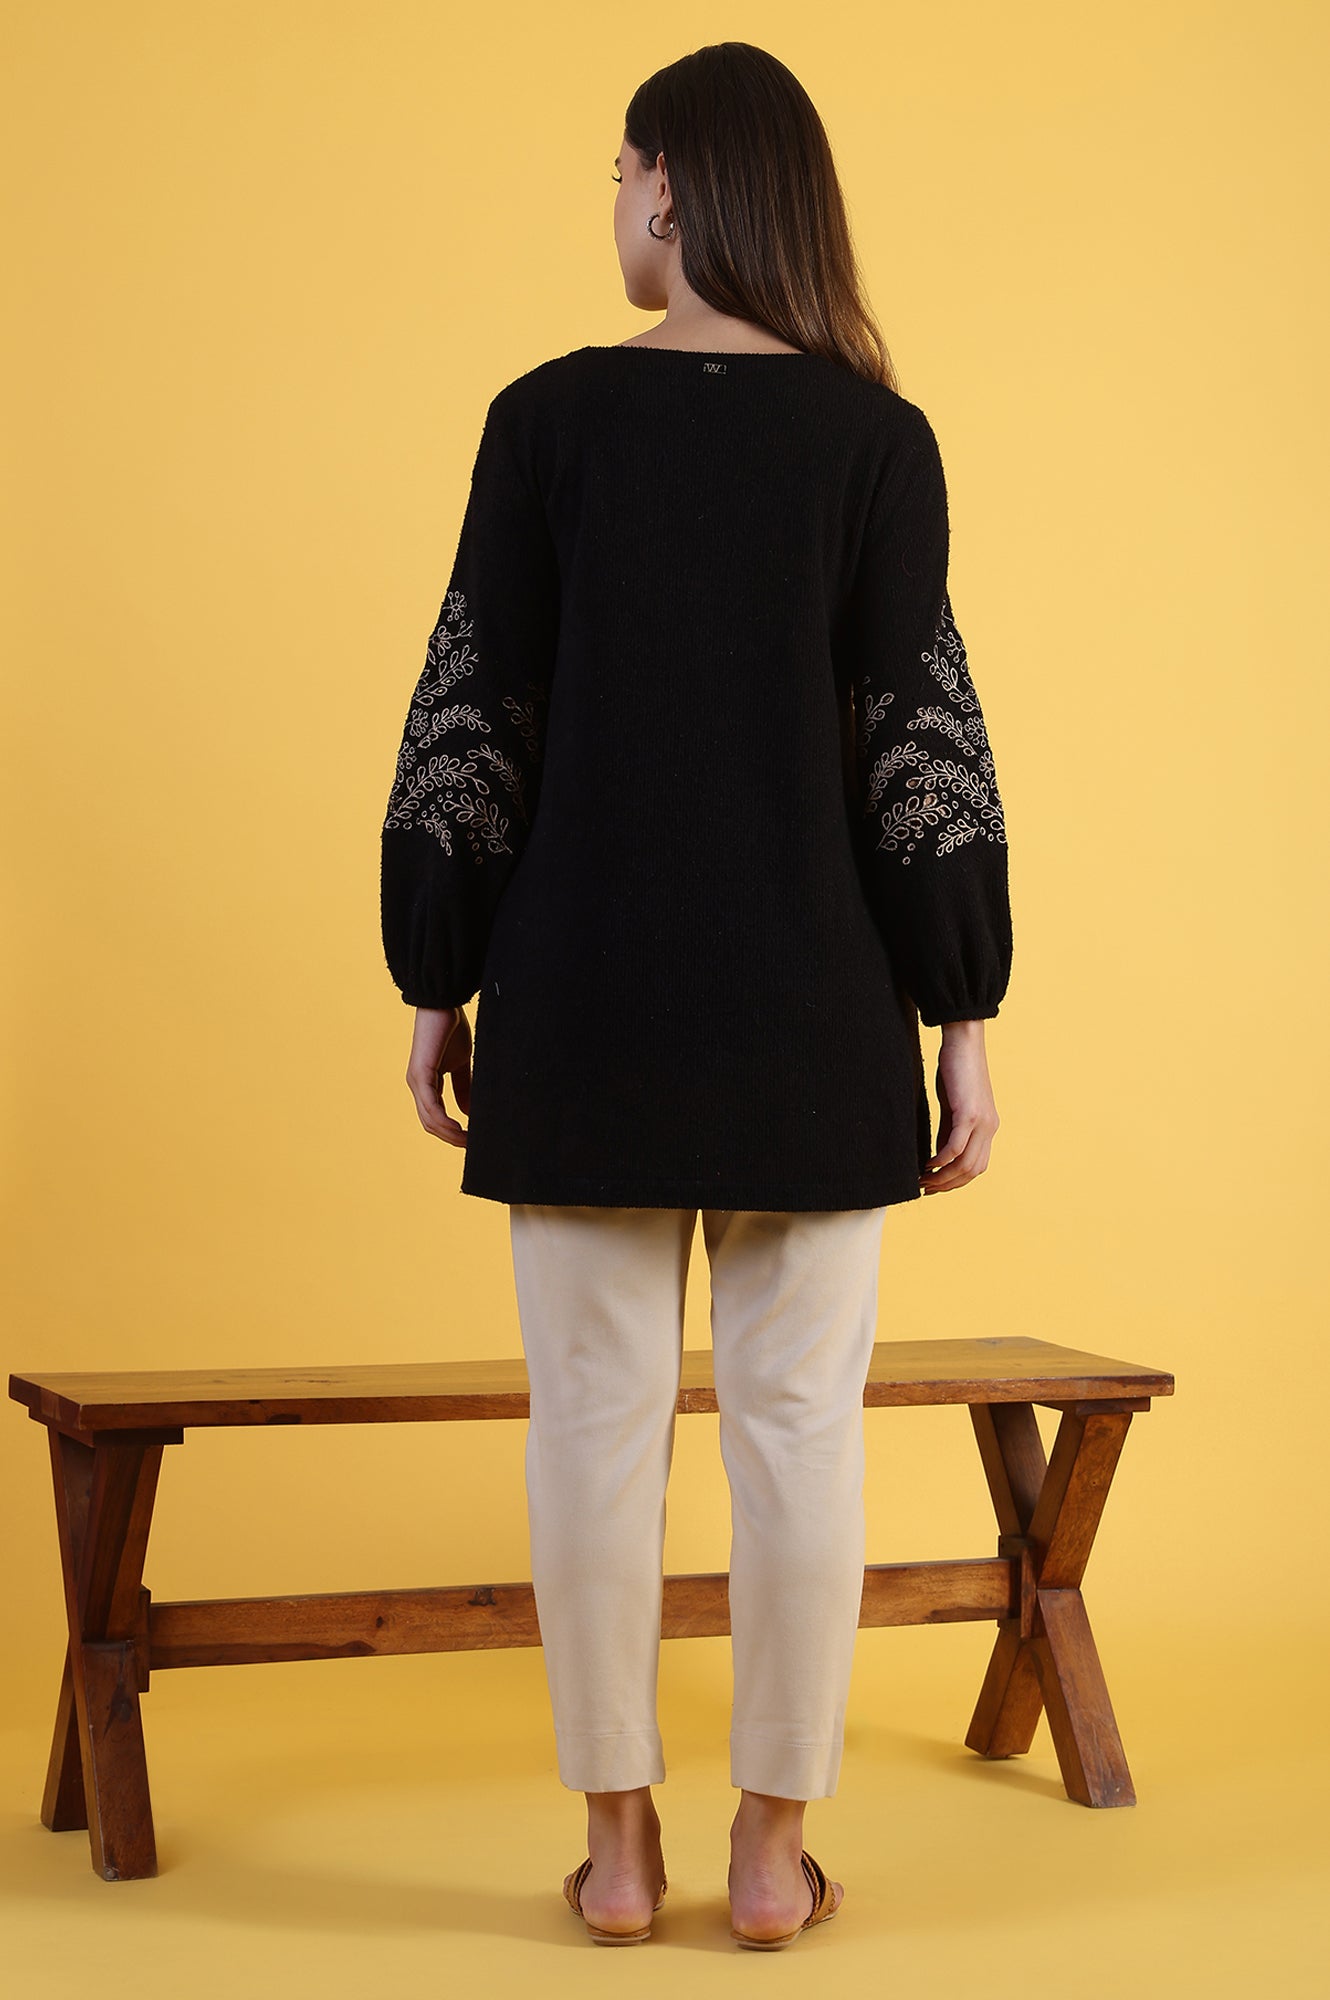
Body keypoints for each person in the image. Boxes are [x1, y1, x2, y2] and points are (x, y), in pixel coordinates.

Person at [379, 40, 1012, 1950]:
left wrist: (437, 970)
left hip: (581, 998)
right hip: (814, 1014)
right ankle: (768, 1853)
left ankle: (616, 1849)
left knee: (590, 1427)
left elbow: (475, 709)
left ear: (669, 184)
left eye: (619, 173)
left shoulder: (547, 421)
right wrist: (962, 1016)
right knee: (801, 1432)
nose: (615, 206)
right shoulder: (873, 441)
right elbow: (920, 742)